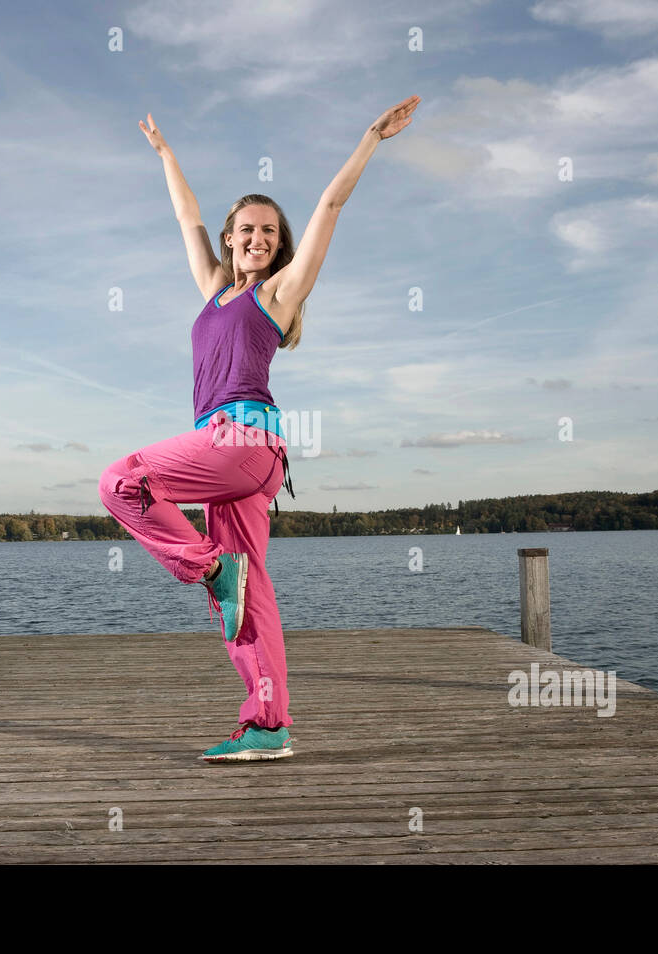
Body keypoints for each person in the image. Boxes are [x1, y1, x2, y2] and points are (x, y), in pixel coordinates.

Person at [99, 96, 421, 762]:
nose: (257, 240)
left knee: (122, 479)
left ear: (280, 246)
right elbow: (185, 215)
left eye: (269, 233)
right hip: (240, 458)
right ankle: (268, 725)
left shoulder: (275, 296)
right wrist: (166, 155)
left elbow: (330, 207)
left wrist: (370, 138)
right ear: (230, 238)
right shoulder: (214, 288)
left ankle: (209, 566)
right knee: (248, 598)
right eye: (247, 230)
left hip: (241, 442)